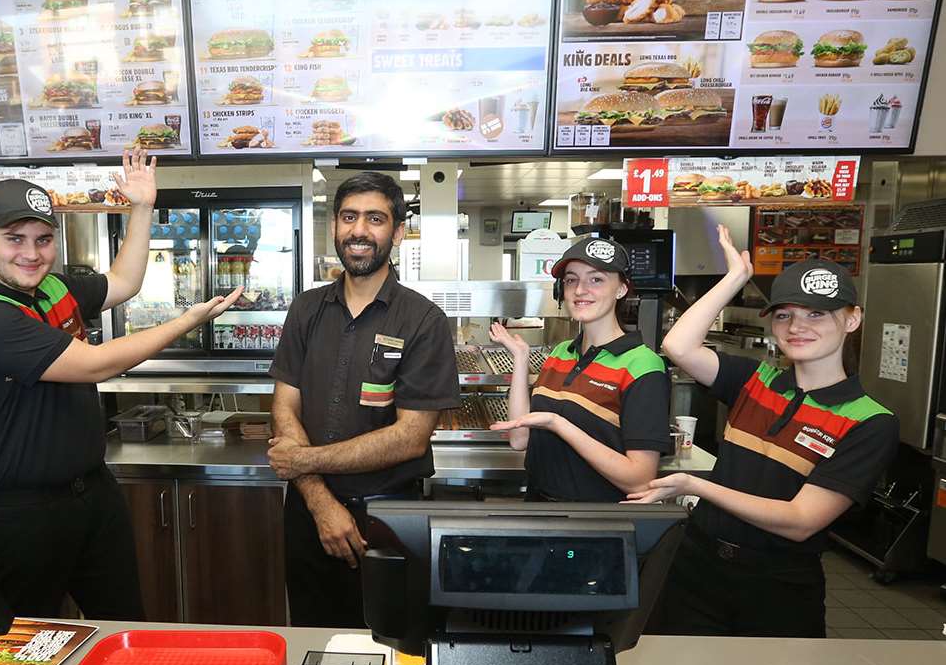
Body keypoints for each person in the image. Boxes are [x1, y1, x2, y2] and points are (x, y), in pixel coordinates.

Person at [0, 151, 242, 620]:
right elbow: (96, 364)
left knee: (120, 623)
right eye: (14, 238)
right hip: (22, 514)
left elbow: (124, 281)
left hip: (92, 496)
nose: (31, 253)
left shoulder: (54, 289)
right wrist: (187, 321)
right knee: (21, 647)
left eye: (42, 239)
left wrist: (141, 207)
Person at [628, 225, 898, 637]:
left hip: (778, 584)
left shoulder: (870, 420)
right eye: (785, 314)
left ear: (852, 319)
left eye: (817, 314)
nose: (797, 327)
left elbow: (801, 520)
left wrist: (695, 485)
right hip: (696, 565)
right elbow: (678, 345)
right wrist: (735, 277)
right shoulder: (757, 380)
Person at [267, 171, 460, 627]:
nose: (359, 231)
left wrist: (303, 461)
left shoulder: (423, 321)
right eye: (349, 217)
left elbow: (410, 438)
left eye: (375, 219)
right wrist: (318, 499)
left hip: (389, 516)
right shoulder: (306, 309)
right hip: (308, 510)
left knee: (392, 648)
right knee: (313, 642)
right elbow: (283, 405)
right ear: (334, 226)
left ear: (397, 232)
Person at [489, 235, 671, 501]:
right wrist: (520, 358)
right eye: (572, 280)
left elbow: (640, 481)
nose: (580, 290)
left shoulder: (643, 365)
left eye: (596, 279)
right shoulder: (562, 353)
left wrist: (558, 424)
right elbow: (520, 439)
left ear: (621, 289)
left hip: (594, 522)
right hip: (538, 509)